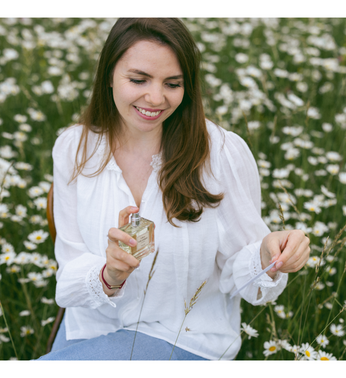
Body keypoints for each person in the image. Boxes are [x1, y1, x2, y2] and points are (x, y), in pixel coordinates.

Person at [37, 18, 310, 361]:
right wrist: (110, 275)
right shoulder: (74, 148)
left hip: (183, 335)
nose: (155, 97)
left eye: (172, 83)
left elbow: (243, 279)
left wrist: (268, 255)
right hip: (92, 325)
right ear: (108, 75)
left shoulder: (220, 153)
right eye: (138, 79)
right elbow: (71, 275)